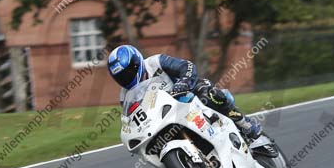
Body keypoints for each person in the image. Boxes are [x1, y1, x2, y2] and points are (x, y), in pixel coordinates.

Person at [106, 45, 262, 141]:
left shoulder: (155, 62)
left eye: (127, 73)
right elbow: (133, 118)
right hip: (165, 117)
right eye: (120, 77)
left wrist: (183, 82)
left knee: (208, 93)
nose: (126, 79)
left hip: (188, 94)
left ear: (136, 63)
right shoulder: (125, 95)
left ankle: (244, 123)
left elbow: (186, 66)